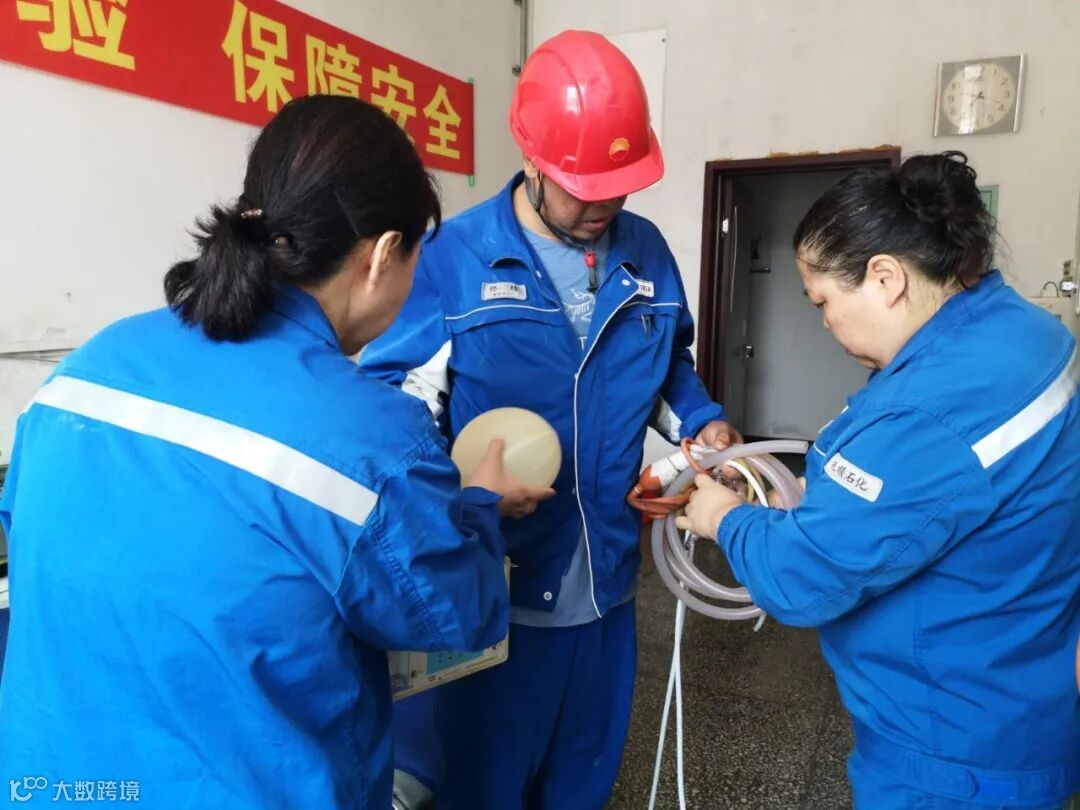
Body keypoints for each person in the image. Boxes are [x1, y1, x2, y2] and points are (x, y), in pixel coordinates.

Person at [0, 95, 553, 809]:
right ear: (382, 254)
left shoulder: (86, 371)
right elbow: (453, 615)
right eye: (417, 258)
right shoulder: (370, 437)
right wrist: (478, 504)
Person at [360, 30, 738, 809]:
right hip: (494, 596)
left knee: (581, 785)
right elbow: (390, 413)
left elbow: (668, 362)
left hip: (607, 590)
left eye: (618, 188)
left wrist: (702, 423)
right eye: (581, 188)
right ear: (532, 159)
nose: (602, 206)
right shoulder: (453, 257)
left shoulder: (647, 252)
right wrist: (461, 498)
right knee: (482, 788)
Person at [679, 151, 1080, 809]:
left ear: (886, 277)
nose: (825, 323)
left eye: (823, 301)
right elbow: (927, 501)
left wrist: (723, 517)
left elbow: (804, 578)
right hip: (1020, 684)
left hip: (951, 753)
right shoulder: (1025, 332)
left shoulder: (929, 407)